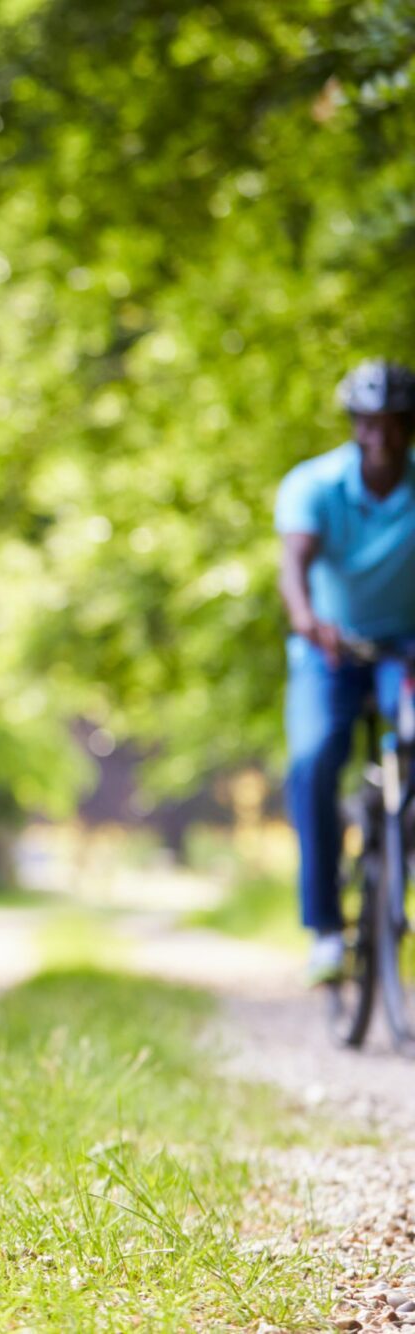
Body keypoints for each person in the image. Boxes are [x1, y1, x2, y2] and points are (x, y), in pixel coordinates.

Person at [276, 358, 415, 985]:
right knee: (315, 758)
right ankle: (325, 930)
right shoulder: (314, 484)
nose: (381, 437)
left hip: (405, 647)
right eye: (369, 423)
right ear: (354, 425)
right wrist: (308, 621)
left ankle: (398, 850)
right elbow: (294, 565)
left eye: (394, 424)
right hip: (329, 647)